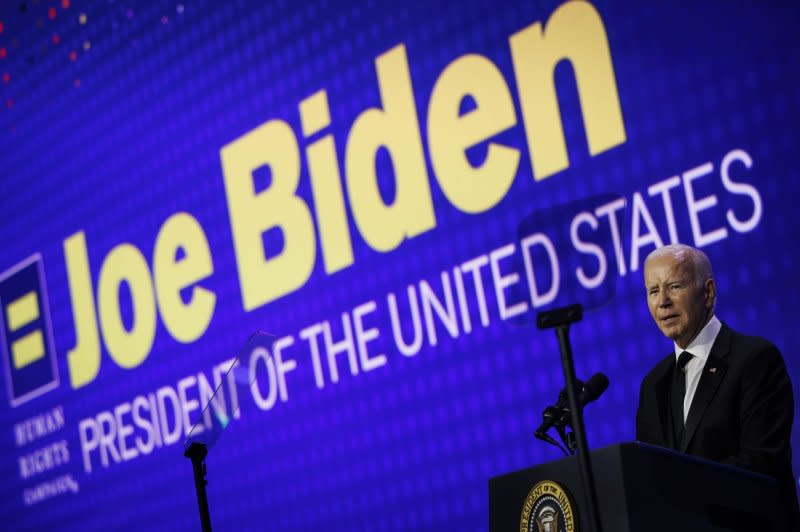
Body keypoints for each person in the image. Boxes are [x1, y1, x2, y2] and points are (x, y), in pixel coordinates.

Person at [635, 244, 799, 529]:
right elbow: (649, 475)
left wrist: (683, 489)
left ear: (708, 292)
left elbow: (762, 463)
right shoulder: (653, 385)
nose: (663, 301)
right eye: (653, 291)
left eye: (674, 286)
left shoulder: (754, 359)